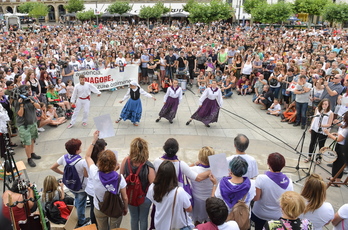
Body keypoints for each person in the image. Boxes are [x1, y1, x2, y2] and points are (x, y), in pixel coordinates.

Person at [86, 131, 128, 230]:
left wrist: (94, 140)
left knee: (102, 228)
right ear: (114, 163)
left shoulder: (94, 172)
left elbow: (87, 156)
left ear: (99, 162)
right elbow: (125, 197)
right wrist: (125, 208)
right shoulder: (119, 178)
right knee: (115, 228)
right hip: (115, 208)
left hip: (99, 207)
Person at [50, 138, 90, 227]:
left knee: (77, 199)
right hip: (81, 187)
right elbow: (86, 175)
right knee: (81, 204)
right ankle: (81, 221)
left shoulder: (64, 157)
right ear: (77, 150)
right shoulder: (81, 162)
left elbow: (53, 167)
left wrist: (63, 173)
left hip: (70, 185)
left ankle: (75, 212)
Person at [146, 160, 194, 230]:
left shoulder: (152, 187)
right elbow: (189, 209)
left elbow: (155, 202)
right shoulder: (179, 191)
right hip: (177, 226)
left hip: (160, 225)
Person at [120, 138, 156, 230]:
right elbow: (154, 185)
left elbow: (120, 179)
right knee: (143, 219)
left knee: (134, 217)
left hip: (130, 196)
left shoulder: (126, 161)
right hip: (144, 198)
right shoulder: (148, 166)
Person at [251, 152, 294, 230]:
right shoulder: (289, 182)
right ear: (283, 165)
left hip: (260, 215)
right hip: (277, 217)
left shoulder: (261, 178)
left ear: (268, 164)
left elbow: (256, 198)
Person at [13, 85, 41, 167]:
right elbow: (20, 114)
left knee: (32, 139)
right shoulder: (17, 101)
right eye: (26, 90)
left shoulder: (31, 98)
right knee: (27, 142)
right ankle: (29, 158)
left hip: (32, 123)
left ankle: (32, 153)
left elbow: (39, 107)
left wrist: (32, 102)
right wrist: (21, 104)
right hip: (23, 125)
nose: (29, 91)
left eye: (28, 90)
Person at [190, 146, 215, 225]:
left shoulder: (193, 170)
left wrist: (195, 163)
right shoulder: (216, 170)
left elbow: (185, 169)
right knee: (209, 220)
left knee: (197, 221)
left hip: (198, 199)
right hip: (211, 199)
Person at [306, 99, 333, 164]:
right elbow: (314, 118)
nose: (324, 106)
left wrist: (322, 125)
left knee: (321, 145)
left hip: (323, 130)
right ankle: (309, 156)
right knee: (312, 142)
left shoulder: (330, 113)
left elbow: (329, 124)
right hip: (315, 128)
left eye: (326, 104)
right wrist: (311, 127)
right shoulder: (317, 109)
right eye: (323, 104)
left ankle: (319, 158)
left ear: (328, 105)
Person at [324, 112, 348, 186]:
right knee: (336, 161)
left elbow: (339, 139)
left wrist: (329, 134)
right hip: (339, 146)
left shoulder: (346, 129)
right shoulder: (344, 126)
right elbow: (341, 135)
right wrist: (336, 134)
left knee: (339, 163)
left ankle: (338, 181)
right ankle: (333, 177)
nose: (343, 119)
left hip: (342, 147)